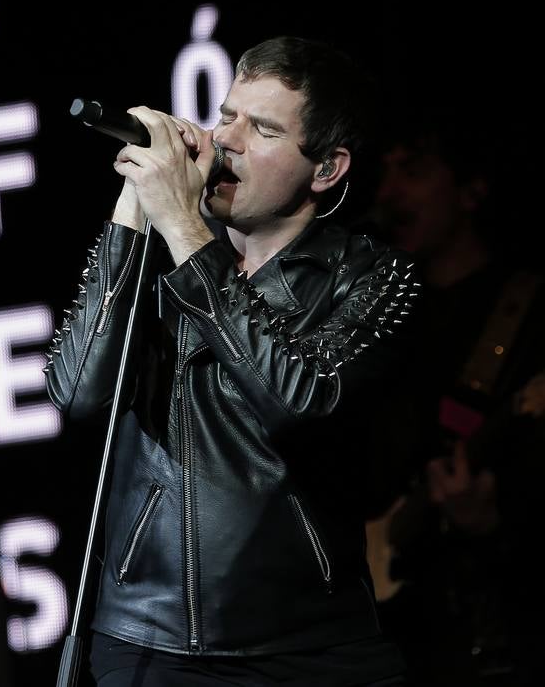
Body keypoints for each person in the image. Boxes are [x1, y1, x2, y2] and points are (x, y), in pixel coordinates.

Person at [45, 36, 421, 686]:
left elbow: (300, 401)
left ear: (326, 169)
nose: (227, 140)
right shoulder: (159, 255)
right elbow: (77, 393)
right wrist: (136, 206)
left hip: (311, 649)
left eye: (263, 128)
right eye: (226, 116)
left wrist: (187, 235)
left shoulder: (369, 276)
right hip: (148, 641)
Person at [365, 103, 545, 686]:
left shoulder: (527, 313)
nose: (390, 193)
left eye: (413, 172)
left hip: (487, 633)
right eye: (386, 173)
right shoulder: (376, 312)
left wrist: (494, 522)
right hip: (385, 635)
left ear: (470, 191)